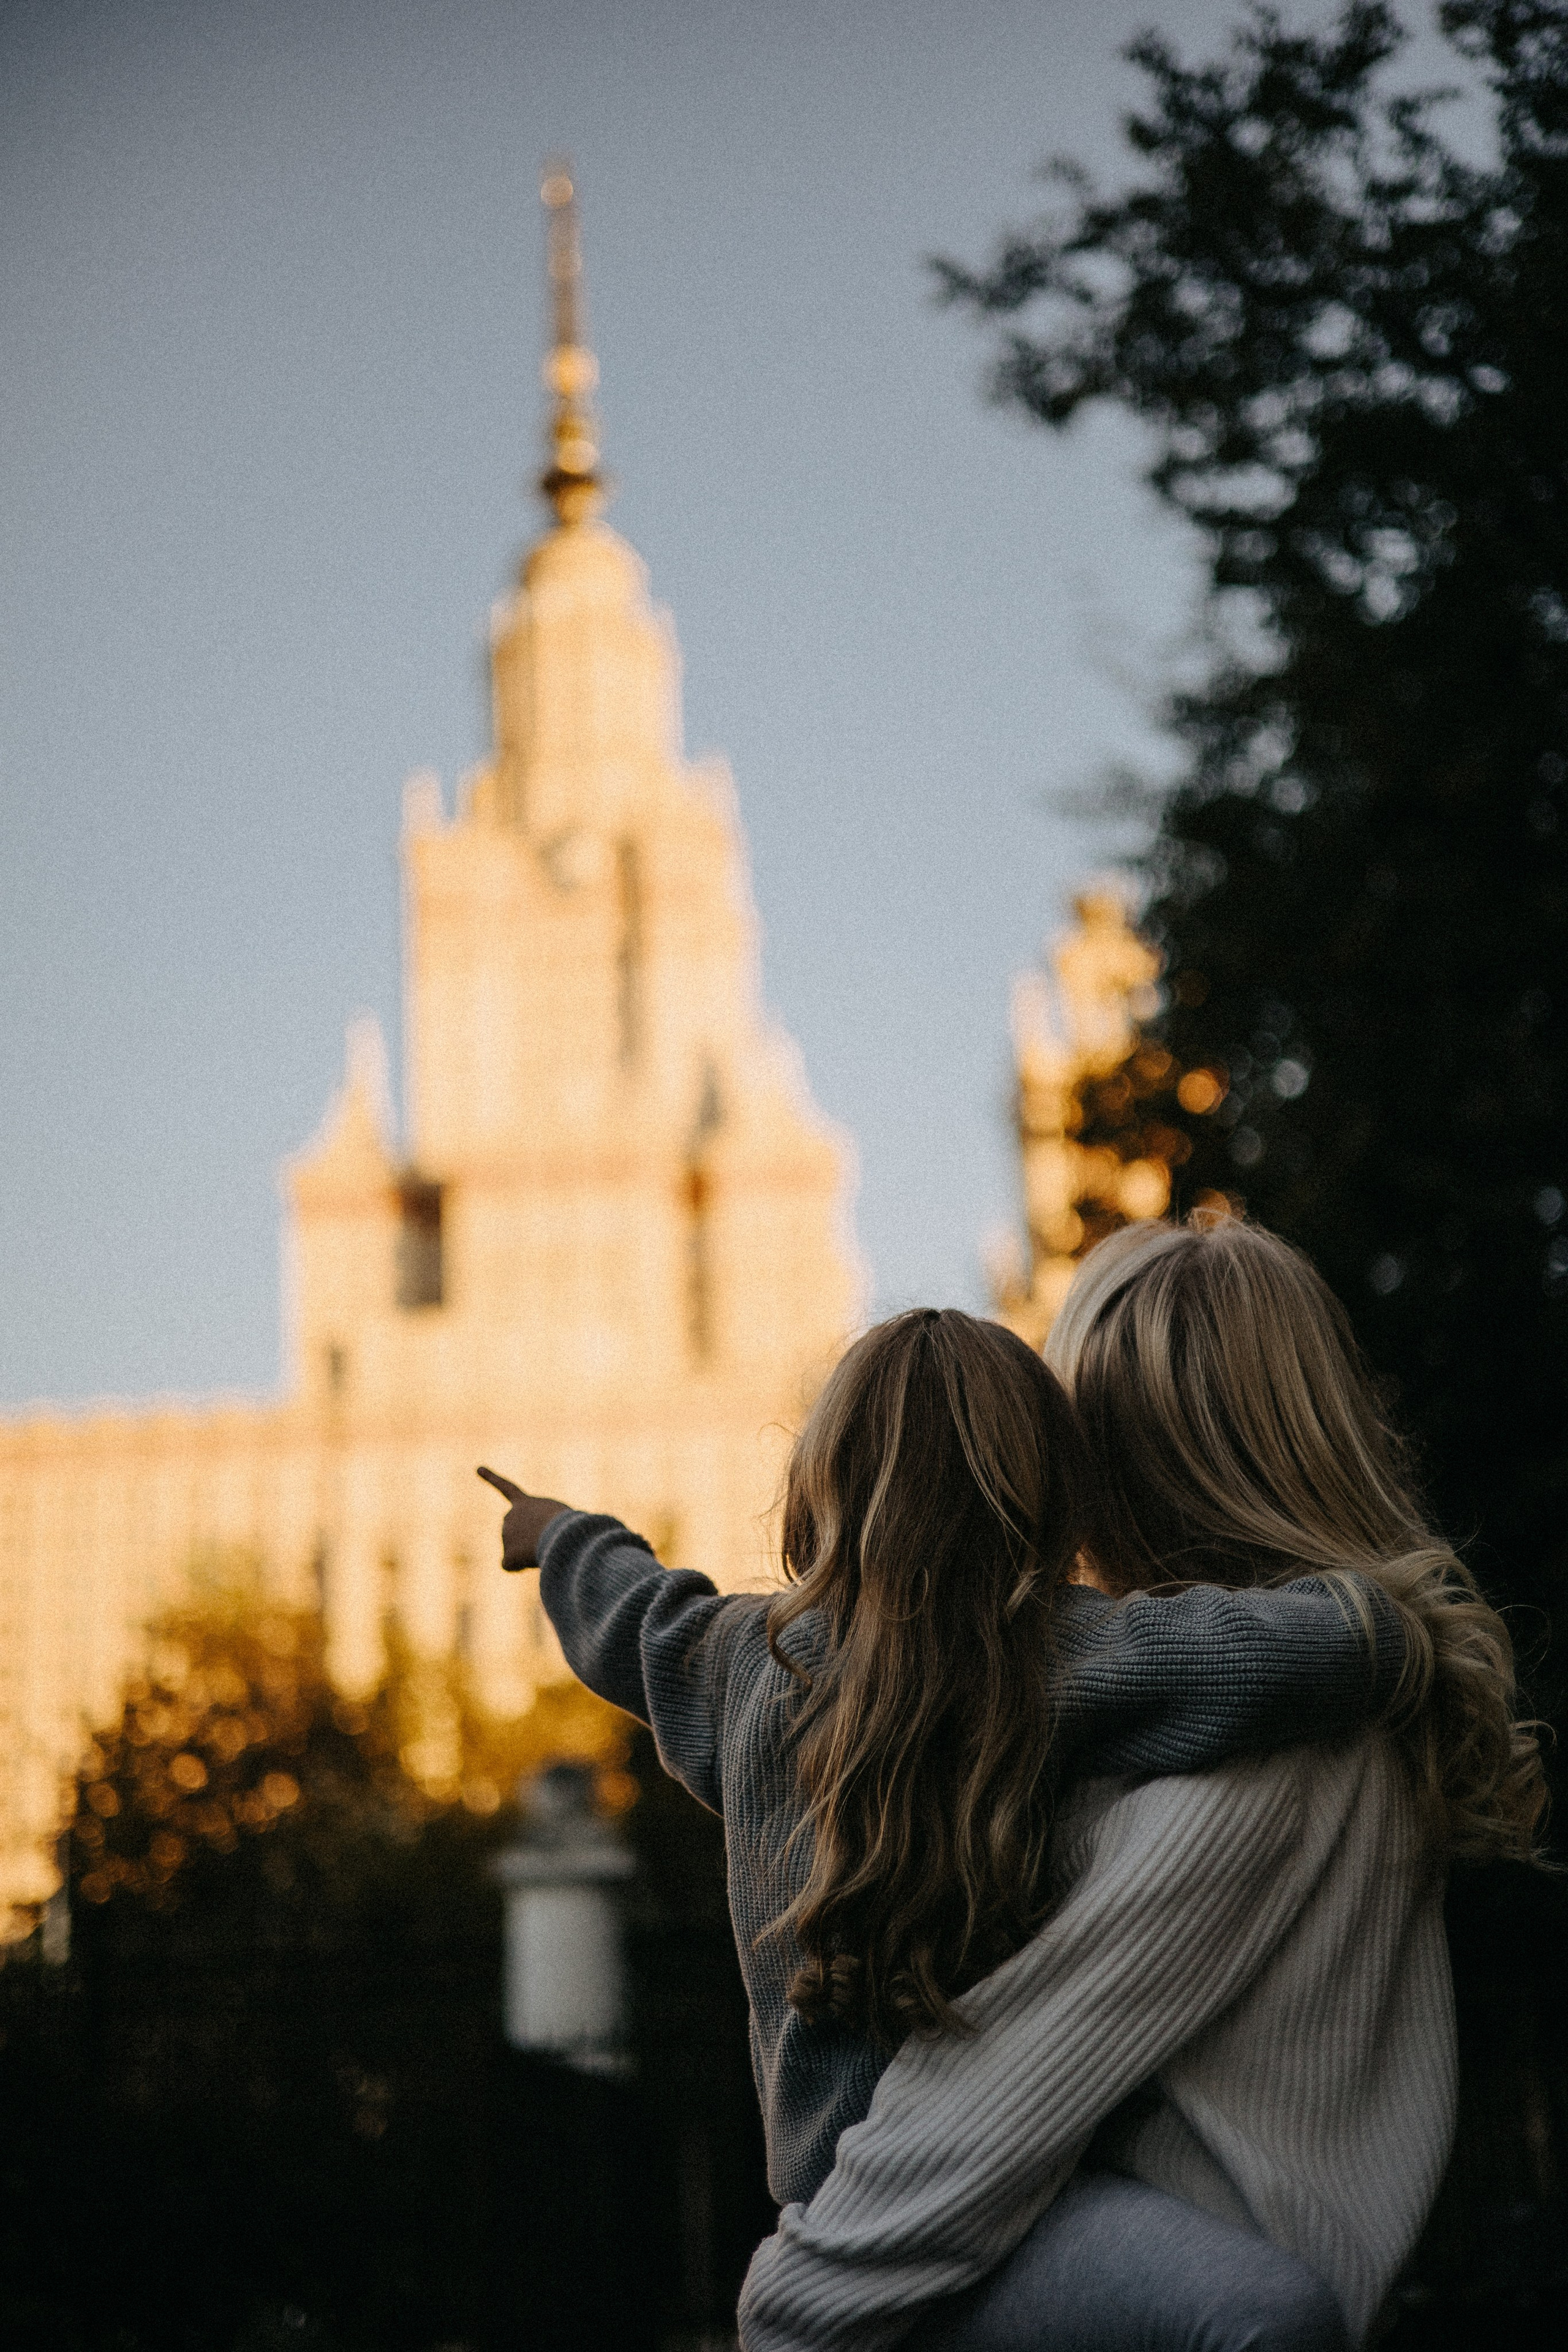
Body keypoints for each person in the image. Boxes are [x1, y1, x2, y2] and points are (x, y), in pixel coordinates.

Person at [480, 1302, 1425, 2351]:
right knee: (1275, 2318)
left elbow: (629, 1607)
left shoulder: (735, 1662)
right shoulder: (1068, 1657)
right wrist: (1389, 1605)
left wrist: (556, 1533)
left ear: (818, 1484)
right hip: (1008, 2226)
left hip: (828, 2221)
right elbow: (1324, 1647)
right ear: (1050, 1489)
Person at [736, 1221, 1547, 2352]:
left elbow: (1007, 2076)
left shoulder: (1267, 1758)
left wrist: (797, 2301)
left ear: (1112, 1468)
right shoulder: (1341, 1691)